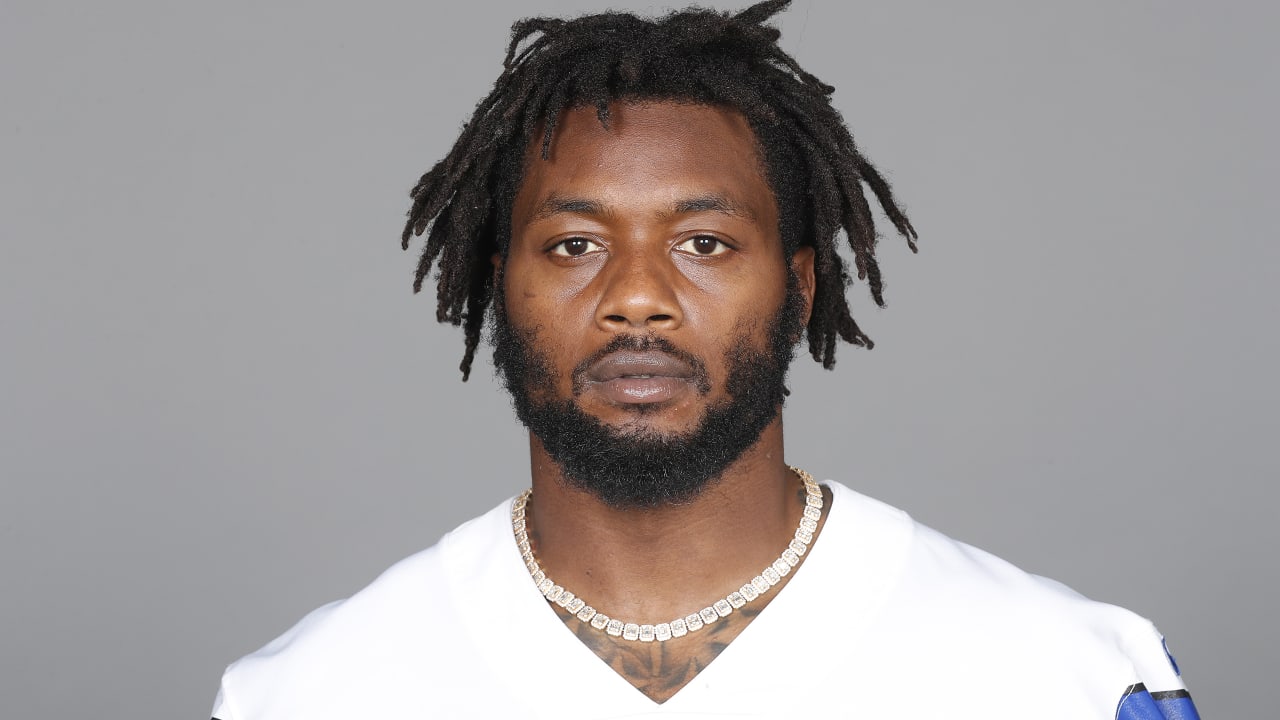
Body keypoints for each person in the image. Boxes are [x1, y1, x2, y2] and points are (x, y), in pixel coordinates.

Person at [210, 2, 1199, 717]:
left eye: (703, 244)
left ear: (800, 287)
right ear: (492, 287)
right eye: (572, 246)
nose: (635, 296)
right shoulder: (307, 693)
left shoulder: (1064, 679)